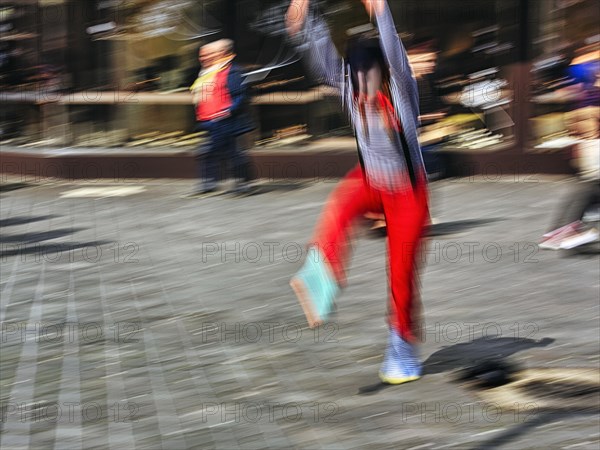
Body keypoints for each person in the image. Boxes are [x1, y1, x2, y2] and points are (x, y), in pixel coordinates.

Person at [286, 0, 430, 385]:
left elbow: (396, 57)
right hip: (371, 182)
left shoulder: (401, 91)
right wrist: (304, 22)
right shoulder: (348, 88)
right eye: (356, 78)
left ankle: (402, 350)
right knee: (339, 205)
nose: (361, 90)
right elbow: (324, 61)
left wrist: (381, 12)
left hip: (407, 194)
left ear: (381, 74)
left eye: (368, 78)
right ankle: (322, 282)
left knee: (401, 275)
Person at [188, 39, 254, 197]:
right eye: (202, 55)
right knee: (214, 152)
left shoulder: (232, 70)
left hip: (226, 120)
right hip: (211, 121)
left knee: (229, 152)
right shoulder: (208, 72)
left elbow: (241, 95)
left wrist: (228, 111)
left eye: (212, 53)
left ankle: (241, 183)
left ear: (223, 53)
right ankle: (215, 182)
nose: (205, 58)